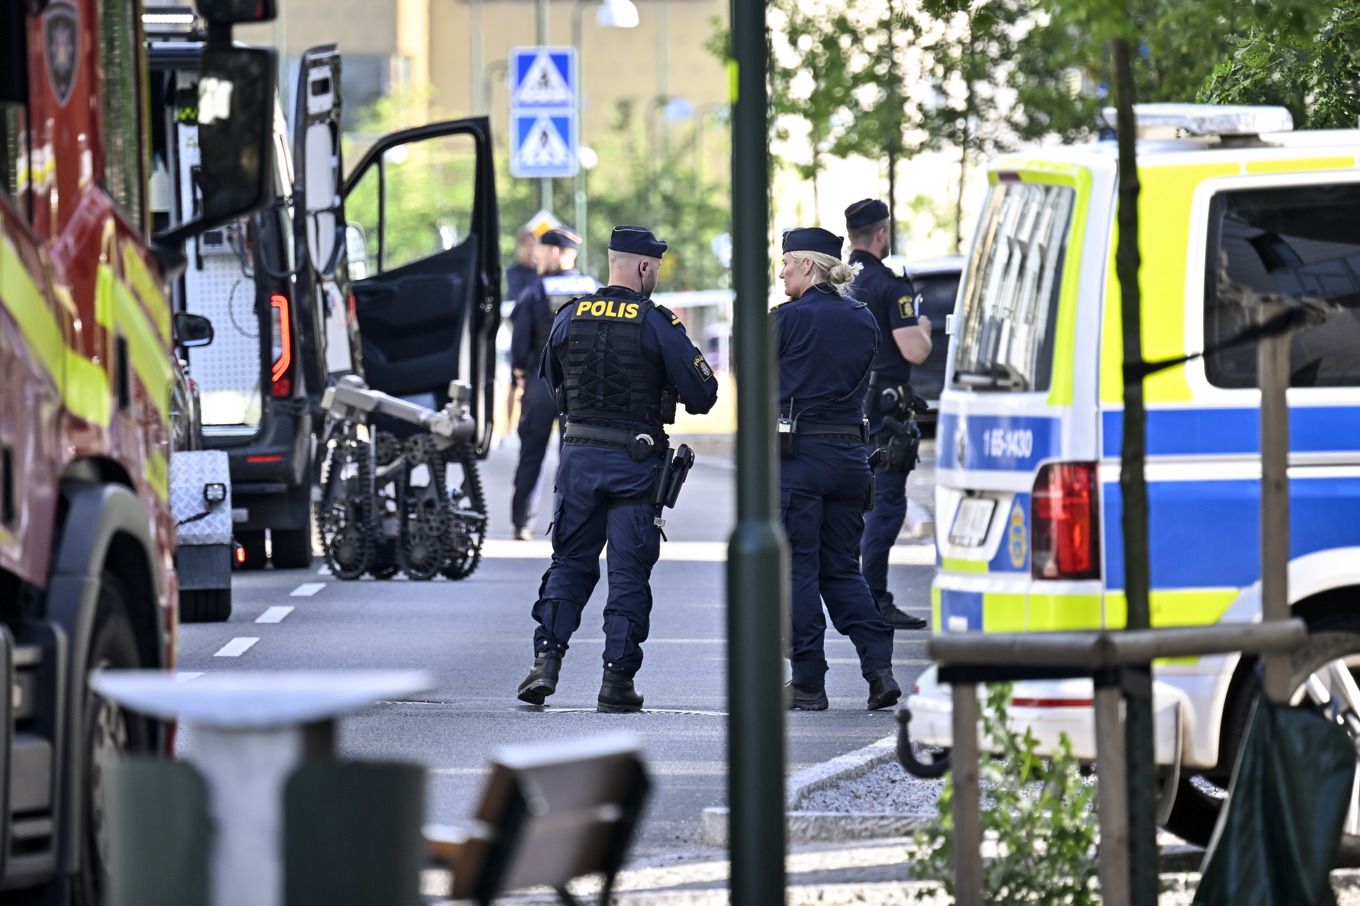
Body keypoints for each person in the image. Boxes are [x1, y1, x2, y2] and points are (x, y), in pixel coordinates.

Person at [517, 226, 719, 712]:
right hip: (636, 463)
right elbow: (703, 394)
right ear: (643, 267)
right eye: (656, 269)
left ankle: (545, 662)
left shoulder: (570, 315)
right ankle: (616, 682)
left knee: (569, 563)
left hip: (580, 459)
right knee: (628, 574)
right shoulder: (656, 322)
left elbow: (551, 381)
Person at [775, 226, 901, 712]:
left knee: (798, 571)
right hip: (851, 460)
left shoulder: (785, 320)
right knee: (843, 570)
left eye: (786, 261)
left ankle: (808, 682)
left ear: (809, 265)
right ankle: (879, 669)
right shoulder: (863, 318)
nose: (782, 270)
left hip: (799, 461)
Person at [845, 199, 931, 631]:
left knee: (854, 507)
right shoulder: (888, 285)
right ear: (882, 234)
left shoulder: (839, 282)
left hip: (844, 412)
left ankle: (852, 592)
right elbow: (914, 349)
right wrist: (925, 328)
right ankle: (873, 597)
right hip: (885, 416)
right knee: (887, 506)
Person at [508, 228, 598, 540]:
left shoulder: (535, 291)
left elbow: (520, 343)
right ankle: (570, 523)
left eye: (542, 252)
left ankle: (523, 522)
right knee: (573, 456)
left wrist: (519, 373)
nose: (536, 257)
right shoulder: (595, 291)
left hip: (542, 382)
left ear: (556, 254)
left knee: (531, 453)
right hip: (583, 388)